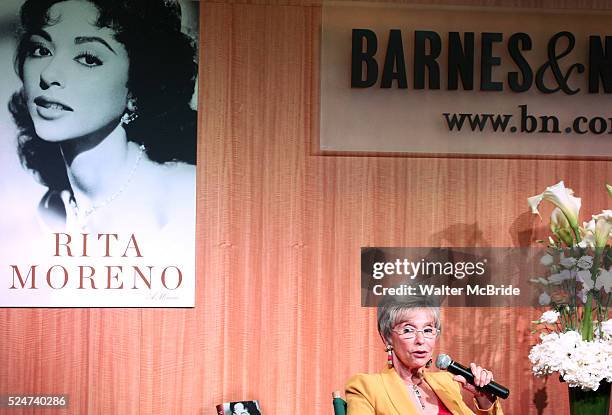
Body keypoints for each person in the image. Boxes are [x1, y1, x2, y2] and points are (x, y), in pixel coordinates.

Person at [8, 0, 197, 234]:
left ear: (137, 87)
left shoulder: (187, 200)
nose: (48, 74)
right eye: (41, 50)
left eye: (87, 59)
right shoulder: (50, 212)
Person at [346, 296, 504, 414]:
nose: (420, 340)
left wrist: (485, 399)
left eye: (428, 330)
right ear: (387, 337)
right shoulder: (365, 387)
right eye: (408, 330)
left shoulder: (448, 383)